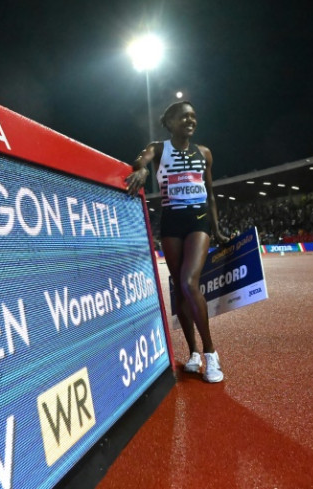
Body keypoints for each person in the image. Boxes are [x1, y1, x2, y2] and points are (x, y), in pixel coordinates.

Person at [125, 100, 229, 383]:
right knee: (179, 291)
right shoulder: (159, 148)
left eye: (194, 116)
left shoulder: (204, 153)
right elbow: (140, 160)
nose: (190, 121)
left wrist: (217, 229)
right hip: (171, 222)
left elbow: (211, 193)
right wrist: (143, 170)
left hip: (198, 221)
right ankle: (193, 352)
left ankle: (210, 353)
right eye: (184, 117)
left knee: (188, 282)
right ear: (170, 122)